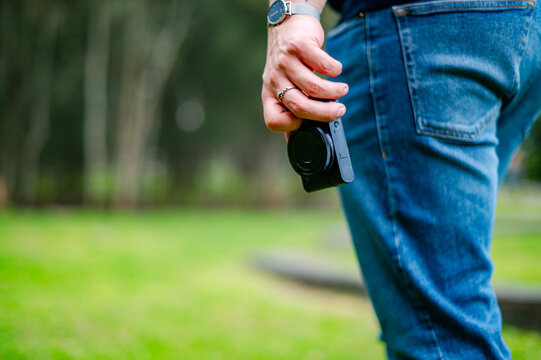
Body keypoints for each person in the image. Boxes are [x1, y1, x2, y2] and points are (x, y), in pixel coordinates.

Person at [262, 0, 541, 358]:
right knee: (438, 294)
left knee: (437, 333)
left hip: (416, 28)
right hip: (522, 26)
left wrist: (291, 12)